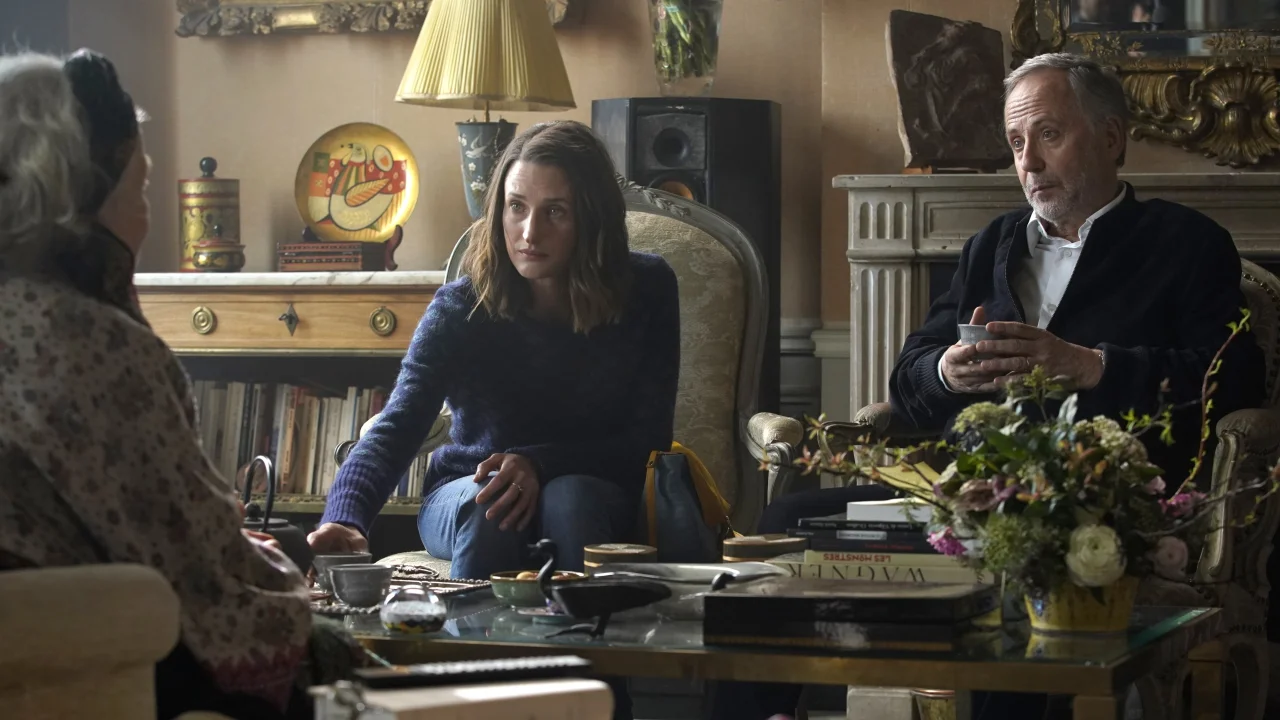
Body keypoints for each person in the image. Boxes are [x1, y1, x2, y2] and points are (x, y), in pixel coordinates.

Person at [713, 52, 1265, 720]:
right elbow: (908, 377)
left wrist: (1092, 367)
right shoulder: (993, 244)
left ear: (1111, 137)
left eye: (1049, 135)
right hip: (964, 498)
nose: (1028, 161)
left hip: (1091, 503)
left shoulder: (1185, 243)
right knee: (783, 528)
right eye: (1016, 142)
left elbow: (1234, 378)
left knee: (1020, 567)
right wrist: (946, 371)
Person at [0, 50, 363, 720]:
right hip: (89, 667)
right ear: (82, 200)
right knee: (342, 663)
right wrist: (289, 579)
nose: (145, 221)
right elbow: (196, 569)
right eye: (139, 193)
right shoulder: (91, 345)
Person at [307, 120, 681, 580]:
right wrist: (344, 517)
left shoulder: (647, 290)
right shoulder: (461, 307)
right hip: (468, 489)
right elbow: (399, 425)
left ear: (592, 218)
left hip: (597, 491)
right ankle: (474, 629)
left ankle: (591, 627)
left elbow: (646, 440)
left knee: (570, 499)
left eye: (555, 211)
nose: (529, 232)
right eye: (516, 207)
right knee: (492, 504)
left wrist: (537, 463)